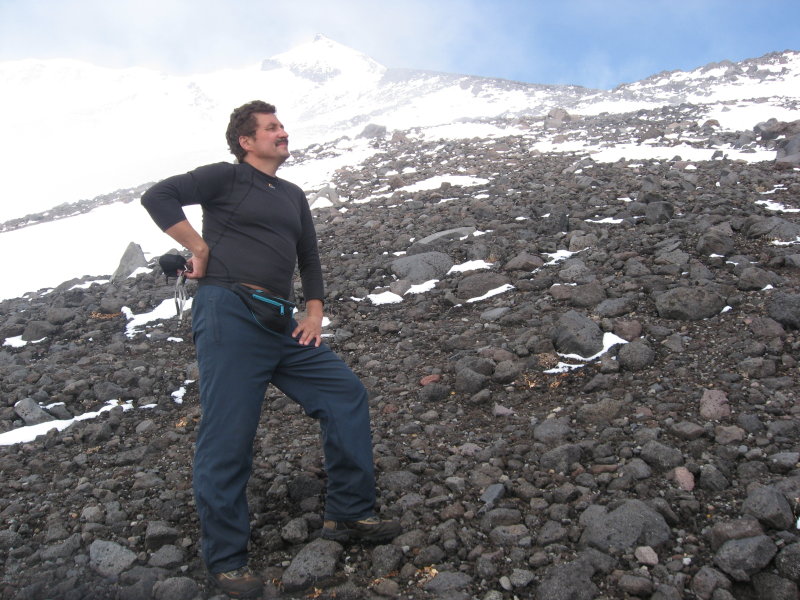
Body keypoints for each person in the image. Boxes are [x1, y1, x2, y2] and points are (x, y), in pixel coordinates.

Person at [141, 100, 400, 598]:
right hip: (229, 310)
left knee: (344, 393)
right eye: (271, 127)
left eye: (282, 126)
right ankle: (226, 559)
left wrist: (314, 313)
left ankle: (349, 513)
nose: (282, 133)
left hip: (281, 320)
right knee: (229, 433)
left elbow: (309, 257)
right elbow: (159, 196)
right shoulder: (226, 177)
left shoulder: (293, 195)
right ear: (246, 141)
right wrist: (198, 248)